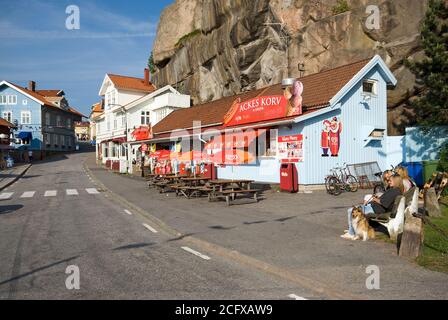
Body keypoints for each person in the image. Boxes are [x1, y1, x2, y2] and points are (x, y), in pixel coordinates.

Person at [341, 174, 404, 240]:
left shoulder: (394, 191)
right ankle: (352, 230)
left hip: (376, 209)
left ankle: (351, 233)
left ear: (396, 181)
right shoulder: (395, 190)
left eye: (390, 181)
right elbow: (385, 200)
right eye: (389, 181)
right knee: (354, 208)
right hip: (375, 207)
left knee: (350, 210)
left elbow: (384, 203)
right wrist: (378, 198)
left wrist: (375, 199)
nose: (389, 182)